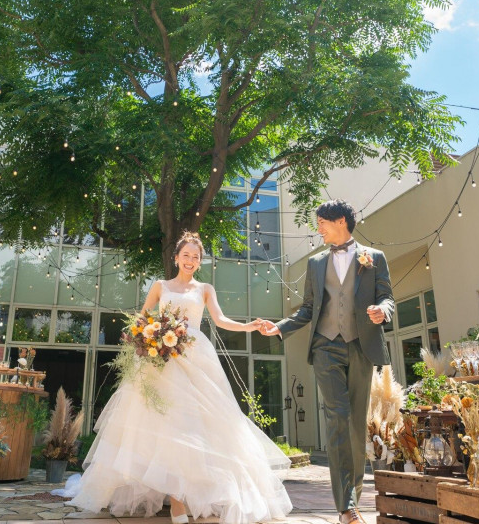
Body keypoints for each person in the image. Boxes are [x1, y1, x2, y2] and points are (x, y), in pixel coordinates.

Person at [64, 231, 292, 524]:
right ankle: (176, 500)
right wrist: (147, 336)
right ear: (176, 258)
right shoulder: (160, 286)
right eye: (186, 255)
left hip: (195, 357)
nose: (190, 260)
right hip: (160, 360)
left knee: (190, 427)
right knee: (162, 425)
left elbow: (220, 320)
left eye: (196, 256)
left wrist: (250, 327)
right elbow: (142, 318)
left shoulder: (205, 289)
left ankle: (181, 497)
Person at [260, 199, 394, 524]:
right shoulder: (316, 263)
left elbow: (386, 296)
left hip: (361, 346)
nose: (318, 228)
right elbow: (309, 308)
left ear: (340, 221)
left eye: (322, 222)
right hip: (325, 346)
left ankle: (352, 502)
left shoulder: (374, 257)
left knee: (356, 424)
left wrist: (383, 311)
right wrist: (280, 327)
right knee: (338, 417)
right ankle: (346, 507)